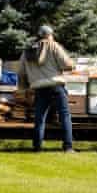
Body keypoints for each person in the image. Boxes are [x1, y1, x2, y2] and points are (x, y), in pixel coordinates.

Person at [21, 24, 75, 153]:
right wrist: (72, 65)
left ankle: (37, 147)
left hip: (39, 88)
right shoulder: (54, 46)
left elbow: (21, 72)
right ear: (50, 35)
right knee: (64, 116)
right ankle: (68, 147)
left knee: (39, 118)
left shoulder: (28, 50)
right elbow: (67, 64)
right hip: (56, 86)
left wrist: (25, 87)